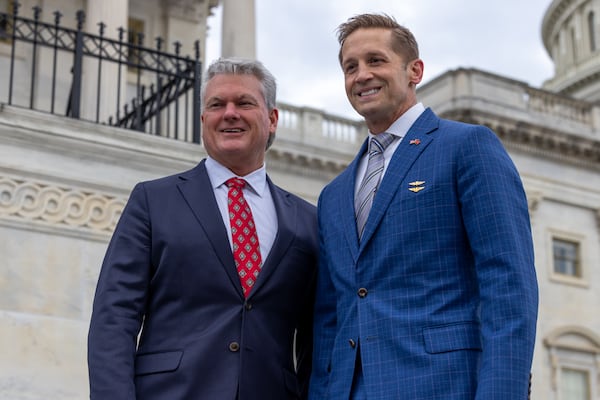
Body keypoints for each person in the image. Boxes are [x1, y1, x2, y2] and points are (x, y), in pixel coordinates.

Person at [309, 13, 538, 400]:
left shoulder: (467, 147)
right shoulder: (333, 193)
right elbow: (330, 318)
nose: (361, 75)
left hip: (443, 386)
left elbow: (509, 287)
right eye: (351, 67)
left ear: (414, 70)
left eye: (376, 61)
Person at [88, 57, 318, 400]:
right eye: (216, 105)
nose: (229, 113)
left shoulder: (307, 220)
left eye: (244, 102)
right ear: (202, 120)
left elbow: (317, 338)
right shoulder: (153, 201)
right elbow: (115, 316)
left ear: (272, 119)